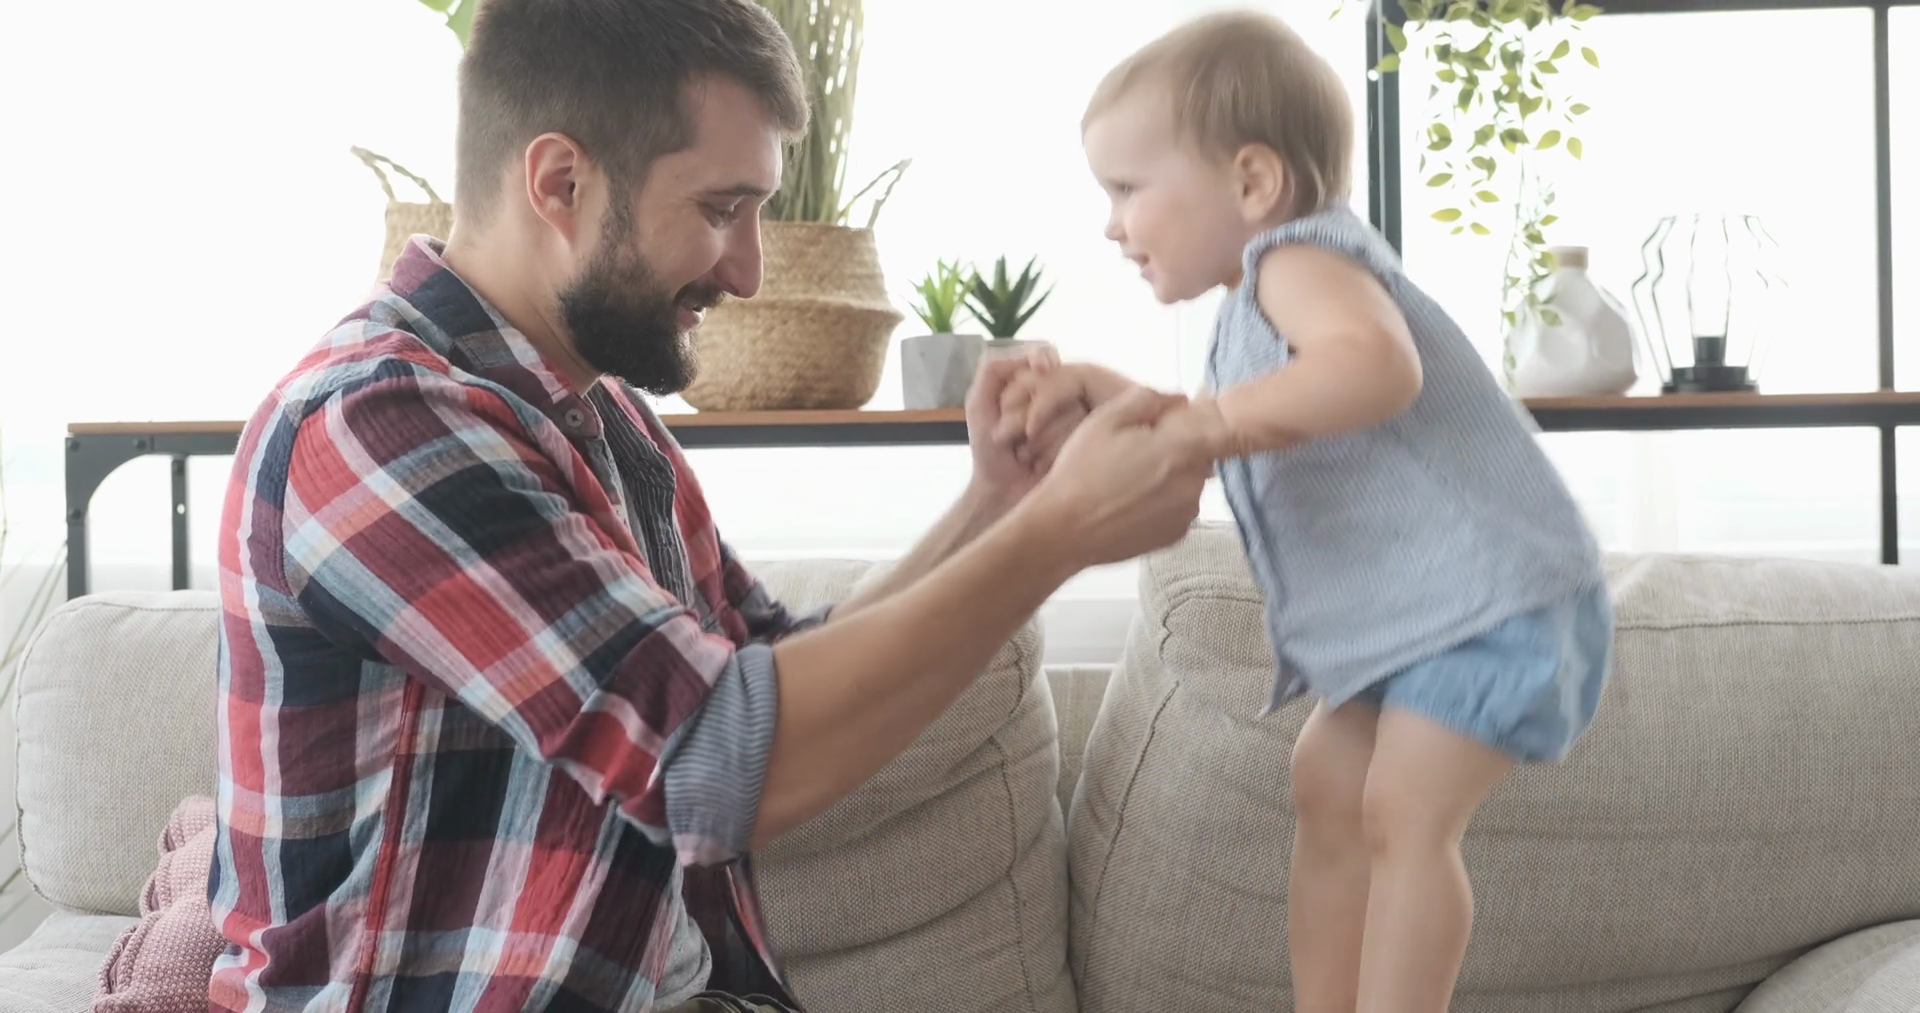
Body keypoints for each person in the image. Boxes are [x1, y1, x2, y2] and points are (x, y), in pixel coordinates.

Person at [207, 1, 1210, 1010]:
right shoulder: (378, 424)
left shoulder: (602, 417)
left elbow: (760, 665)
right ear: (560, 184)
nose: (749, 271)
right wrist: (1057, 534)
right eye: (722, 209)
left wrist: (1001, 498)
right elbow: (720, 758)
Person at [996, 11, 1614, 1013]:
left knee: (1403, 810)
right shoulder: (1257, 304)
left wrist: (1201, 426)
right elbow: (1239, 420)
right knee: (1327, 784)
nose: (1112, 225)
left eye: (1127, 189)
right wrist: (1109, 398)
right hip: (1412, 621)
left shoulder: (1298, 260)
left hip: (1491, 601)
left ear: (1251, 182)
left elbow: (1373, 366)